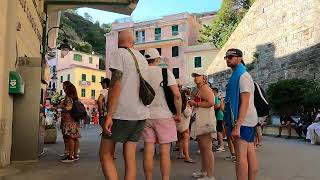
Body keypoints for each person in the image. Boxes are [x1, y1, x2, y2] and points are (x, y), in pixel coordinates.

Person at [99, 30, 150, 180]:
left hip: (121, 113)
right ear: (133, 43)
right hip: (140, 114)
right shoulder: (142, 58)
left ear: (117, 41)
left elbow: (115, 84)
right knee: (130, 157)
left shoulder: (119, 54)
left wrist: (109, 115)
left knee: (105, 154)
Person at [141, 48, 182, 180]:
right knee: (165, 151)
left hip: (146, 116)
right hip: (164, 115)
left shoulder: (140, 73)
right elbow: (177, 95)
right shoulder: (165, 72)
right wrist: (178, 114)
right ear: (158, 59)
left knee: (148, 149)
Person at [224, 48, 259, 180]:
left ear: (239, 58)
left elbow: (245, 102)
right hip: (247, 121)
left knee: (240, 157)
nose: (228, 59)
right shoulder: (239, 75)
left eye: (231, 57)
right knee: (250, 153)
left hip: (242, 121)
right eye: (226, 57)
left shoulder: (242, 76)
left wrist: (237, 125)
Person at [189, 70, 216, 180]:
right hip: (201, 119)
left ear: (203, 77)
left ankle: (210, 175)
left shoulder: (205, 88)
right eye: (194, 76)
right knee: (203, 147)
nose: (195, 78)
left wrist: (195, 103)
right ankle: (204, 171)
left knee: (207, 149)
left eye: (197, 76)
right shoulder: (198, 89)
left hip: (205, 120)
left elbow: (211, 102)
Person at [59, 84, 81, 162]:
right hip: (74, 120)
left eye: (65, 88)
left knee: (70, 138)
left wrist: (62, 106)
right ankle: (74, 155)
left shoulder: (68, 98)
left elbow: (69, 108)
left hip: (69, 120)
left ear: (68, 89)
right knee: (74, 138)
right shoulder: (75, 98)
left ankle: (70, 156)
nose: (63, 89)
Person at [176, 89, 195, 163]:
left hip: (178, 125)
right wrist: (190, 108)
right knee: (186, 140)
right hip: (184, 125)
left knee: (180, 139)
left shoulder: (176, 104)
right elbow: (187, 114)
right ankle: (187, 156)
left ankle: (180, 154)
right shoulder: (184, 105)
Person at [212, 87, 225, 152]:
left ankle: (222, 146)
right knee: (219, 131)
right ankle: (220, 144)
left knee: (219, 131)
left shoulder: (216, 98)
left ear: (214, 92)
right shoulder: (218, 97)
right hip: (220, 116)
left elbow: (217, 106)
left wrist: (212, 109)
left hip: (218, 116)